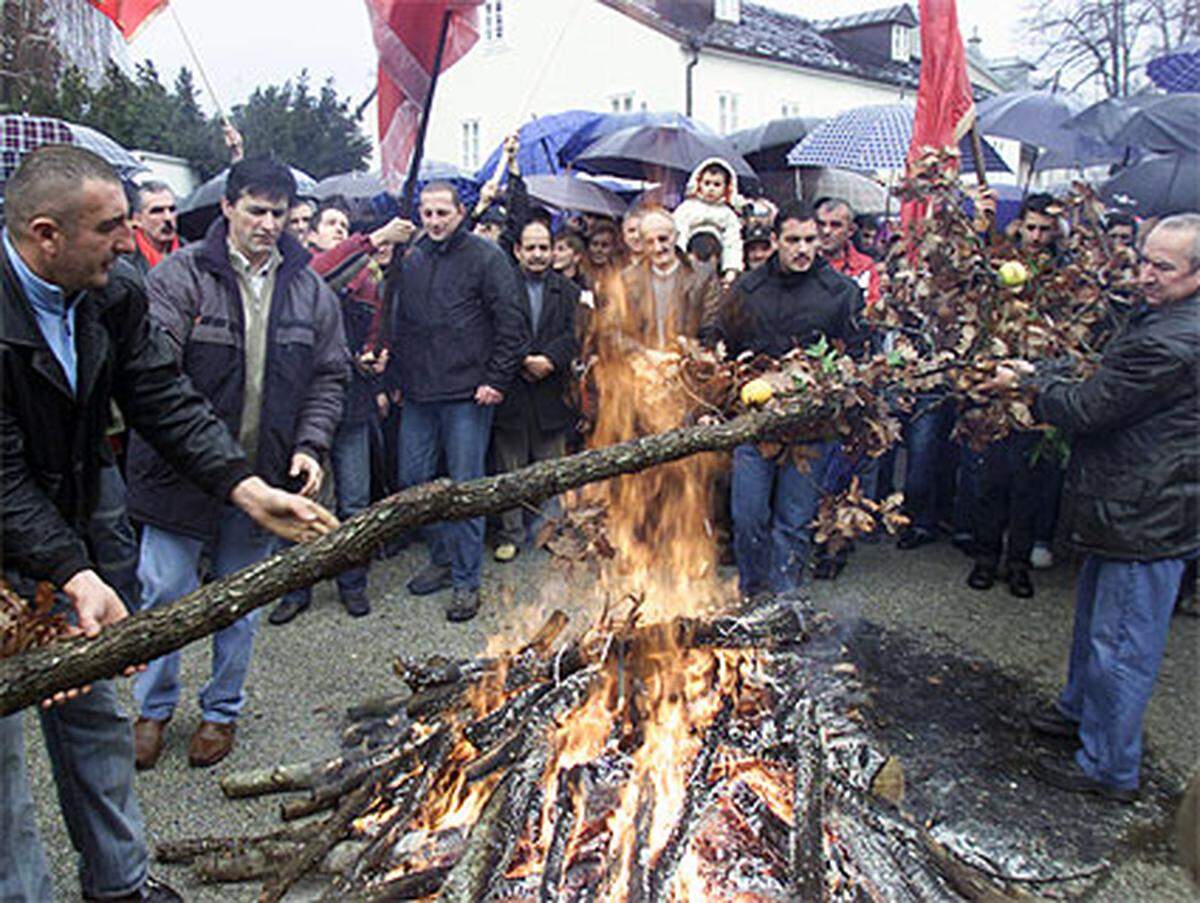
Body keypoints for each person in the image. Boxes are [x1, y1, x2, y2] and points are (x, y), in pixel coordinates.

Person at [0, 146, 336, 903]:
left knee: (94, 722)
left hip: (68, 544)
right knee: (2, 778)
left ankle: (118, 884)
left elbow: (164, 396)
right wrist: (75, 570)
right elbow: (3, 477)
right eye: (111, 226)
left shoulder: (111, 294)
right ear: (46, 234)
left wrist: (246, 489)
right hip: (18, 549)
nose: (130, 241)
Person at [125, 158, 349, 770]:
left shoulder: (309, 289)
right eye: (256, 210)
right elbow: (157, 376)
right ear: (226, 208)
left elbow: (330, 376)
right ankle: (152, 708)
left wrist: (310, 445)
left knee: (241, 600)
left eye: (279, 212)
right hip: (179, 470)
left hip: (268, 472)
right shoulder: (178, 277)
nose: (269, 223)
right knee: (165, 594)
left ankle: (221, 711)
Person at [989, 213, 1200, 801]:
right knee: (1095, 627)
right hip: (1124, 502)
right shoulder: (1161, 318)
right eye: (1145, 260)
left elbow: (1089, 406)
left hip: (1147, 511)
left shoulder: (1174, 339)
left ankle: (1109, 766)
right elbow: (1101, 375)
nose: (1146, 276)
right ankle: (1079, 713)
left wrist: (1029, 387)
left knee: (1123, 643)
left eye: (1163, 267)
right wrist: (1040, 371)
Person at [269, 206, 417, 624]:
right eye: (333, 225)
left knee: (354, 501)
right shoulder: (300, 273)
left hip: (352, 404)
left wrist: (374, 358)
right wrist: (373, 238)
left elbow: (372, 334)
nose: (341, 232)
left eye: (347, 227)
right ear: (313, 235)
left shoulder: (366, 278)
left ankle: (352, 583)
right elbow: (321, 275)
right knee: (299, 502)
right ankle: (294, 589)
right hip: (304, 409)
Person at [388, 182, 528, 621]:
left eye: (441, 213)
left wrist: (496, 379)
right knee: (415, 482)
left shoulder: (487, 258)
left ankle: (467, 580)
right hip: (418, 392)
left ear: (461, 212)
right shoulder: (412, 259)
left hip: (468, 392)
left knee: (465, 488)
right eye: (427, 214)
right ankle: (444, 559)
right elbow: (401, 323)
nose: (433, 222)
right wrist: (395, 377)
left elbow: (511, 321)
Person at [712, 201, 859, 597]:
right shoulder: (748, 289)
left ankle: (784, 600)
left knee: (793, 521)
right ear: (775, 241)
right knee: (748, 516)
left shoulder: (840, 293)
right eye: (793, 240)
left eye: (811, 239)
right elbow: (719, 342)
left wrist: (830, 383)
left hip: (811, 428)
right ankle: (751, 592)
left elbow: (858, 355)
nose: (803, 249)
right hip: (755, 422)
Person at [967, 194, 1068, 597]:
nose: (1038, 237)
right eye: (1031, 227)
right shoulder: (1000, 265)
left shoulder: (1065, 275)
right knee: (992, 481)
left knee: (1030, 484)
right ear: (1019, 226)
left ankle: (1019, 562)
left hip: (1039, 392)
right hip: (997, 391)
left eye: (1046, 229)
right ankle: (985, 557)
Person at [492, 219, 579, 562]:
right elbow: (496, 329)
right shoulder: (501, 287)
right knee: (510, 468)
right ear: (518, 251)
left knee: (551, 467)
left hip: (551, 389)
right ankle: (510, 533)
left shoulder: (568, 291)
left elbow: (577, 334)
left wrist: (549, 360)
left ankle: (549, 531)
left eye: (545, 247)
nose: (538, 254)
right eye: (531, 248)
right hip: (512, 387)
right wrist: (524, 359)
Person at [671, 158, 743, 281]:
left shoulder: (729, 215)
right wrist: (679, 261)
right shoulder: (687, 208)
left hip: (716, 262)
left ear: (726, 187)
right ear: (699, 183)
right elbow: (679, 234)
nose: (711, 189)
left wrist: (731, 270)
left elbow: (732, 243)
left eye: (717, 184)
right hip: (688, 260)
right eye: (707, 183)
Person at [816, 197, 880, 307]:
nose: (826, 231)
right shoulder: (803, 261)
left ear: (850, 230)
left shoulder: (865, 266)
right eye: (821, 224)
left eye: (835, 225)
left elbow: (871, 307)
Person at [128, 180, 180, 274]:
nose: (168, 217)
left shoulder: (194, 256)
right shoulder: (126, 261)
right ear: (137, 220)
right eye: (157, 211)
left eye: (172, 209)